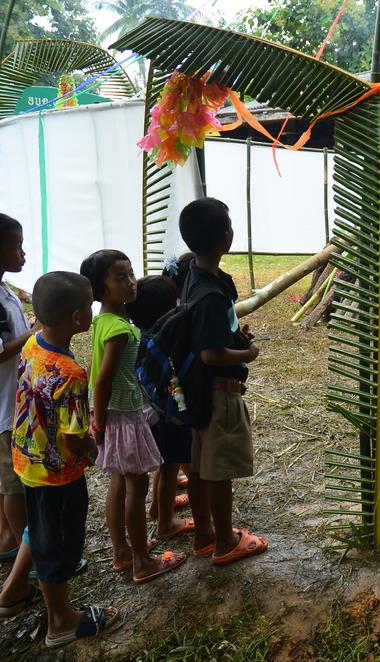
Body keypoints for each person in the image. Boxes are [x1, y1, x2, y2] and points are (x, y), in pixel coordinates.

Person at [6, 272, 119, 646]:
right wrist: (91, 449)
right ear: (76, 318)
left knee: (40, 531)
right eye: (88, 305)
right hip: (57, 475)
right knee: (56, 544)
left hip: (28, 462)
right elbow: (73, 434)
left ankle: (17, 593)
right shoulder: (70, 372)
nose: (91, 311)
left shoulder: (33, 345)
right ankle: (61, 622)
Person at [81, 250, 186, 583]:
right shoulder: (120, 331)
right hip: (124, 413)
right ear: (99, 289)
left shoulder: (103, 321)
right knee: (136, 486)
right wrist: (97, 420)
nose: (131, 282)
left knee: (119, 483)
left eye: (131, 274)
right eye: (120, 277)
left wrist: (98, 413)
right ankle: (142, 560)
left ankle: (123, 551)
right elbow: (102, 377)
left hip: (113, 413)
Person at [178, 198, 268, 564]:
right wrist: (245, 354)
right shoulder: (210, 294)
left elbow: (214, 337)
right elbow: (209, 354)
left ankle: (204, 534)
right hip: (218, 393)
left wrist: (235, 339)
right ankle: (225, 542)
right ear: (226, 238)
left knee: (200, 466)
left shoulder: (197, 278)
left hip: (198, 390)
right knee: (217, 472)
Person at [126, 275, 194, 541]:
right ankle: (166, 522)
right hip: (164, 414)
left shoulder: (137, 337)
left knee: (166, 464)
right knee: (169, 467)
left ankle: (158, 508)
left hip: (149, 414)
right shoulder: (160, 342)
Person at [0, 215, 32, 562]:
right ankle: (30, 551)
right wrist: (36, 332)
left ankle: (8, 538)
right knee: (13, 485)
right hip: (4, 407)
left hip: (12, 399)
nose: (23, 254)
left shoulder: (5, 288)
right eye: (16, 246)